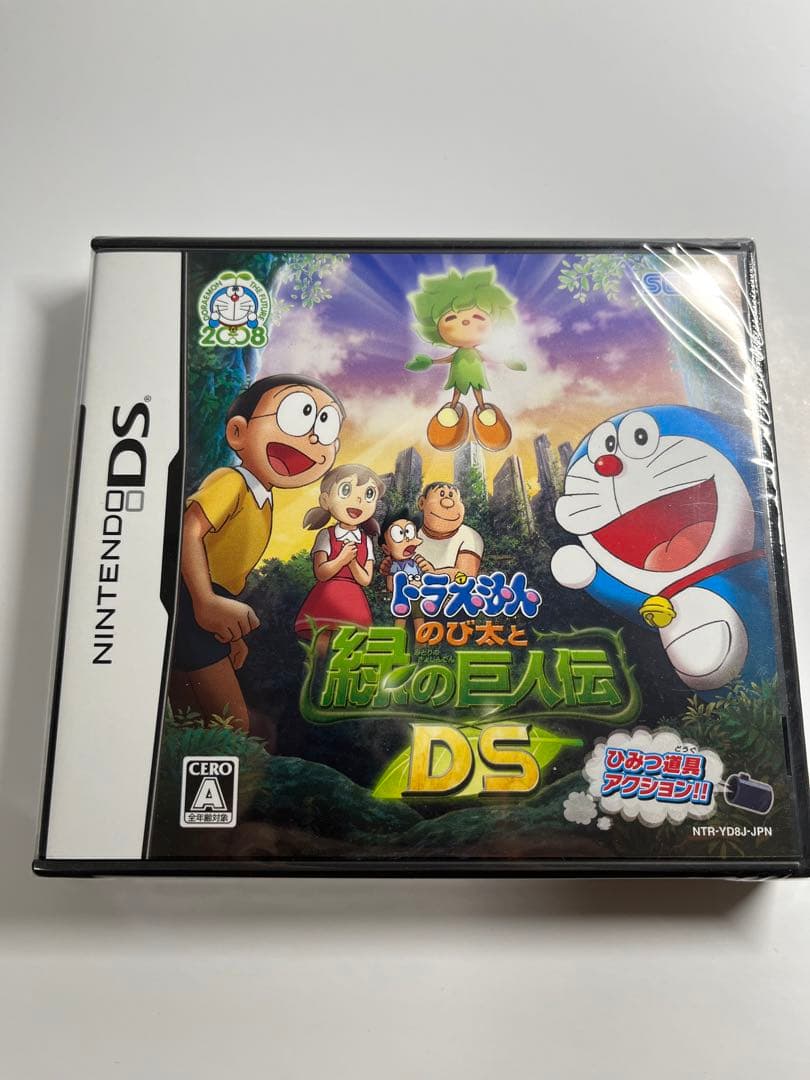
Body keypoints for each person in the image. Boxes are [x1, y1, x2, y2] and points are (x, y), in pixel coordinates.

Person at [171, 374, 345, 732]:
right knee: (233, 721)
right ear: (238, 432)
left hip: (205, 605)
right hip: (189, 597)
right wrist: (205, 601)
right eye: (298, 415)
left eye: (326, 428)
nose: (314, 438)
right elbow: (189, 531)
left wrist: (230, 634)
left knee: (190, 714)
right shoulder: (231, 482)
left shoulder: (262, 500)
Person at [405, 267, 525, 452]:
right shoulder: (458, 354)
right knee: (457, 391)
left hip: (475, 374)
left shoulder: (477, 352)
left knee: (478, 391)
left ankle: (482, 409)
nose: (465, 322)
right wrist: (430, 362)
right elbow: (448, 358)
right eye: (451, 318)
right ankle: (453, 409)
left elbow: (490, 358)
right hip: (458, 375)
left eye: (477, 316)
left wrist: (505, 361)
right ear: (435, 329)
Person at [294, 464, 386, 656]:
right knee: (322, 638)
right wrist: (342, 558)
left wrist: (352, 562)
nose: (359, 500)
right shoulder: (326, 535)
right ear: (325, 500)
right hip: (327, 595)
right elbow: (321, 572)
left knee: (350, 643)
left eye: (369, 494)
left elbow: (365, 579)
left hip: (353, 599)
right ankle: (316, 670)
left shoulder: (366, 541)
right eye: (346, 490)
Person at [379, 509, 425, 634]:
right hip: (401, 597)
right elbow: (390, 585)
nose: (407, 541)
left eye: (409, 533)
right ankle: (397, 637)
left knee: (418, 616)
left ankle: (421, 641)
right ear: (386, 549)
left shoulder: (414, 563)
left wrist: (419, 585)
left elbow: (421, 579)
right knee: (401, 617)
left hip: (416, 595)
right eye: (399, 535)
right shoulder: (395, 565)